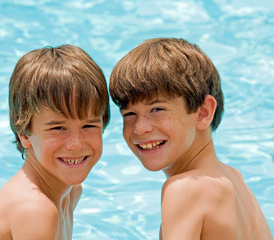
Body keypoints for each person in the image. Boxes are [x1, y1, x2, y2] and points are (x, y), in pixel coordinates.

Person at [109, 38, 272, 239]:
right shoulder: (234, 179)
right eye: (129, 114)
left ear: (203, 112)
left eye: (157, 109)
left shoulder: (184, 189)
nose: (140, 128)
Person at [0, 44, 110, 240]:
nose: (76, 144)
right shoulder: (35, 208)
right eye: (58, 128)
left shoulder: (70, 192)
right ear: (24, 133)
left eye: (89, 126)